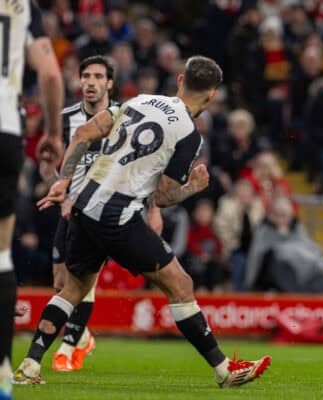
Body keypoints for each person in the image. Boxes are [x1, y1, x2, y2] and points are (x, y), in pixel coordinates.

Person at [13, 55, 270, 387]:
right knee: (181, 284)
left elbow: (83, 135)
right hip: (117, 215)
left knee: (75, 288)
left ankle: (30, 364)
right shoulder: (189, 134)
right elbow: (161, 196)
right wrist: (194, 187)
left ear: (180, 80)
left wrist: (64, 180)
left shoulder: (139, 100)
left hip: (85, 204)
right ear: (211, 96)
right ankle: (224, 370)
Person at [47, 55, 163, 373]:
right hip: (69, 210)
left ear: (109, 83)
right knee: (61, 283)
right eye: (86, 76)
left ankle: (67, 347)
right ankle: (82, 336)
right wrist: (59, 188)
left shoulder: (127, 117)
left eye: (98, 76)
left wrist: (154, 210)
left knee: (86, 280)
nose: (90, 82)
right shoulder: (65, 117)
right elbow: (51, 159)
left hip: (110, 210)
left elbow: (144, 166)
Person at [0, 1, 64, 399]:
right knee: (1, 255)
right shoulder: (21, 4)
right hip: (5, 129)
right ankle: (4, 369)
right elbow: (52, 75)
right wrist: (53, 133)